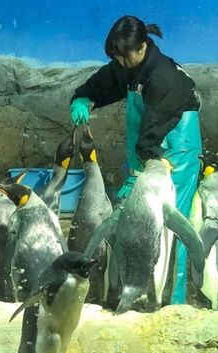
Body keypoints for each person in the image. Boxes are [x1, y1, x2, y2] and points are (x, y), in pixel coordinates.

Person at [69, 15, 202, 304]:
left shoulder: (165, 78)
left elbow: (150, 137)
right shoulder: (131, 67)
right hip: (147, 157)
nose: (119, 61)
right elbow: (103, 84)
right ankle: (137, 295)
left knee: (169, 230)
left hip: (172, 159)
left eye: (122, 55)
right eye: (115, 57)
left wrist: (136, 178)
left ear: (142, 47)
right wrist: (83, 98)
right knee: (137, 224)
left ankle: (171, 303)